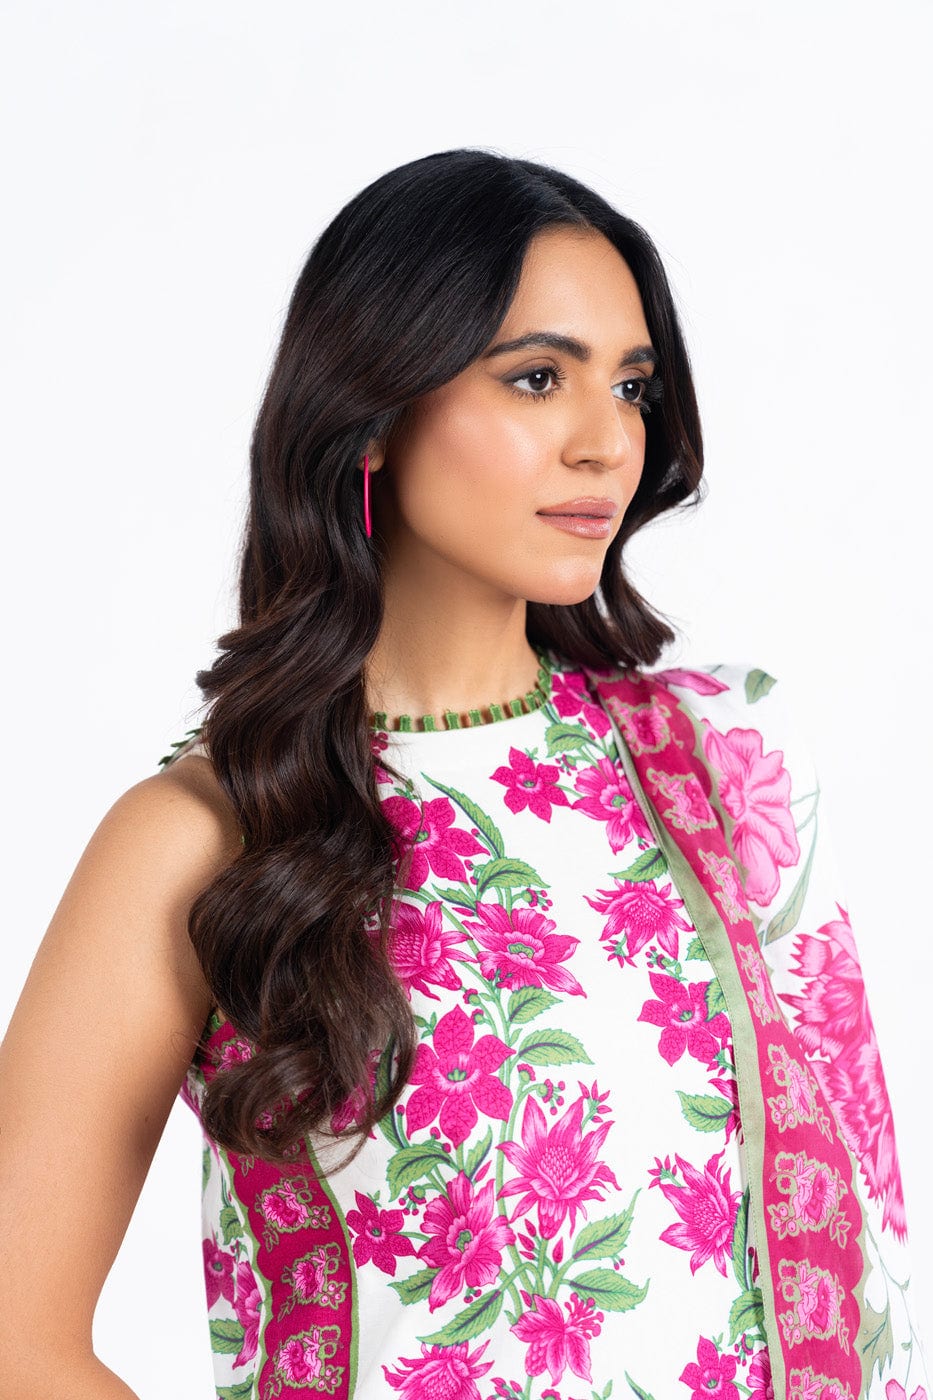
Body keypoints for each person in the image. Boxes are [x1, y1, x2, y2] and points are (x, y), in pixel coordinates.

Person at [0, 148, 927, 1400]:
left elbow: (867, 1260)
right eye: (538, 378)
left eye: (632, 386)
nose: (608, 442)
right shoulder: (208, 838)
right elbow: (15, 1336)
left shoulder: (728, 758)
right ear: (376, 410)